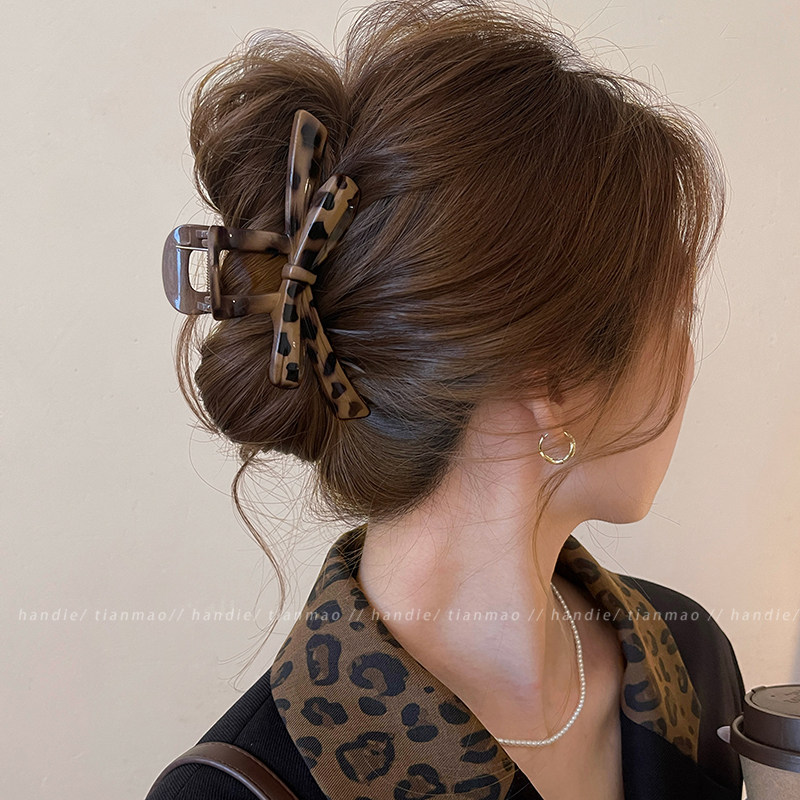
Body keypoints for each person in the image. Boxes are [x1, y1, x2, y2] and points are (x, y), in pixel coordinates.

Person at [147, 1, 745, 798]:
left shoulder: (692, 664)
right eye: (679, 316)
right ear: (555, 379)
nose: (690, 362)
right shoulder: (242, 791)